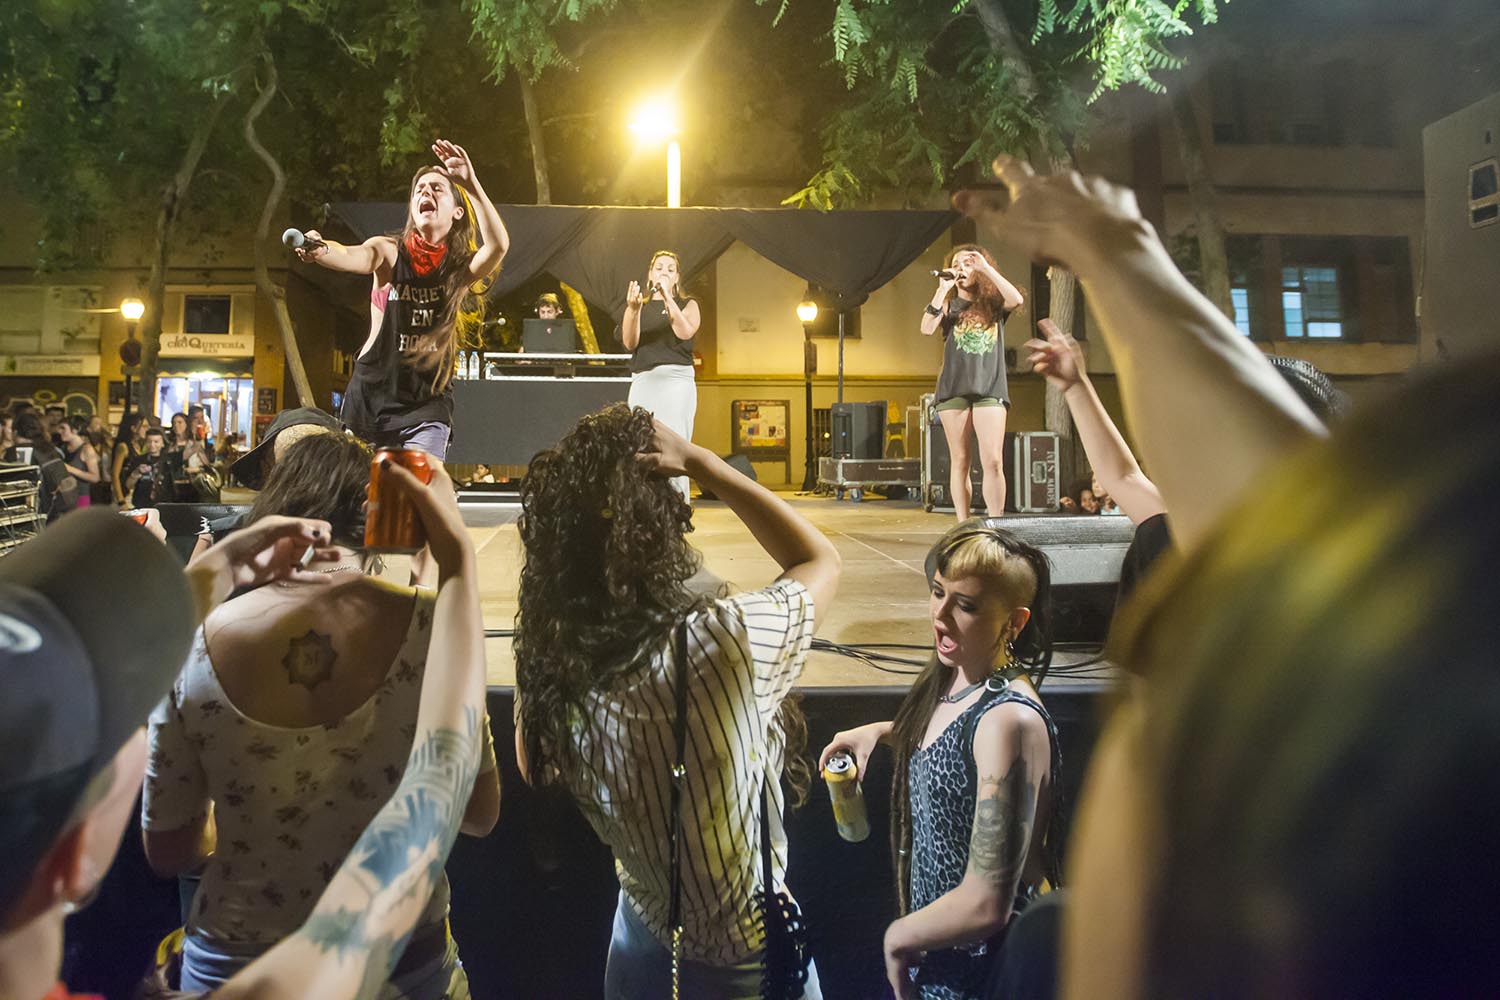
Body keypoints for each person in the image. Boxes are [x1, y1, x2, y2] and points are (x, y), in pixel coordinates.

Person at [0, 463, 488, 1000]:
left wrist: (220, 572)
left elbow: (172, 846)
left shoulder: (201, 652)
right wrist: (456, 568)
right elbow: (436, 789)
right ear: (77, 855)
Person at [142, 432, 500, 995]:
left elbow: (170, 850)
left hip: (233, 960)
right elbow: (478, 813)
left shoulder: (191, 640)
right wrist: (448, 574)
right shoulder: (433, 629)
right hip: (396, 957)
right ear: (376, 515)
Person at [513, 404, 841, 999]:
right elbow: (817, 561)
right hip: (744, 957)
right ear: (662, 522)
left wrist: (549, 591)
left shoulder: (552, 660)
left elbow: (533, 763)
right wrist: (704, 463)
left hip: (638, 940)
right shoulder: (718, 642)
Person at [820, 521, 1059, 999]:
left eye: (965, 605)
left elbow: (988, 902)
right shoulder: (961, 676)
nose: (940, 615)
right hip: (944, 964)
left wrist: (898, 938)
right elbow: (953, 746)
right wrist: (883, 733)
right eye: (937, 592)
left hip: (980, 976)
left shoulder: (1008, 722)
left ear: (1014, 622)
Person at [297, 140, 510, 461]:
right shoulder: (389, 251)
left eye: (437, 188)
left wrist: (471, 184)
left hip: (426, 407)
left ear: (457, 212)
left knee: (416, 492)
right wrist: (321, 249)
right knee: (362, 502)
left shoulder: (457, 268)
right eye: (420, 190)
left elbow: (497, 246)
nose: (426, 193)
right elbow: (351, 254)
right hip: (370, 401)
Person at [921, 245, 1025, 520]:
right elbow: (926, 328)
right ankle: (962, 524)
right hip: (954, 389)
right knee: (961, 461)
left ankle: (996, 523)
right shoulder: (949, 304)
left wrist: (985, 267)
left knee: (992, 460)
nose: (962, 268)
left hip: (989, 388)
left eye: (968, 263)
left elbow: (1016, 299)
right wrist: (942, 289)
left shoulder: (993, 305)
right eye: (957, 263)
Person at [620, 251, 702, 500]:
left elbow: (685, 331)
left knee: (674, 445)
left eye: (670, 269)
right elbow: (629, 342)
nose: (663, 272)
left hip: (676, 382)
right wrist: (634, 310)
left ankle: (676, 510)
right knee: (641, 443)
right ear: (650, 274)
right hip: (644, 381)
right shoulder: (638, 307)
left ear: (677, 277)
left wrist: (667, 296)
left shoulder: (689, 305)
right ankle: (643, 508)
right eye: (659, 268)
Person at [14, 412, 78, 523]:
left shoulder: (18, 451)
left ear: (16, 431)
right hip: (57, 511)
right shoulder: (48, 449)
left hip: (32, 513)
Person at [58, 417, 101, 509]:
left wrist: (71, 469)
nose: (59, 431)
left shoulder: (87, 449)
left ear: (75, 430)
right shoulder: (63, 448)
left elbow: (95, 477)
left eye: (63, 428)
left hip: (81, 497)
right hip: (64, 497)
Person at [122, 428, 169, 509]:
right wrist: (137, 472)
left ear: (163, 443)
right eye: (149, 441)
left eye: (156, 442)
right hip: (141, 503)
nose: (152, 445)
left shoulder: (168, 461)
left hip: (164, 504)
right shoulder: (138, 460)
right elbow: (128, 485)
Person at [110, 414, 149, 507]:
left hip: (135, 492)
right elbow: (115, 474)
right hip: (124, 493)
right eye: (143, 426)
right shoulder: (123, 447)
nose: (146, 429)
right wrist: (121, 500)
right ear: (133, 428)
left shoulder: (138, 446)